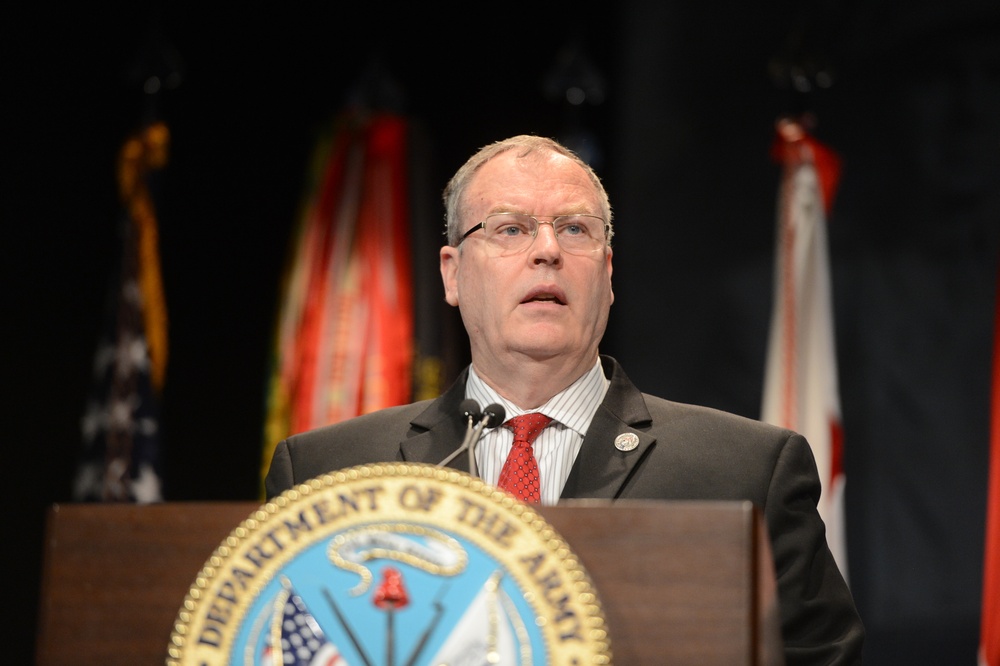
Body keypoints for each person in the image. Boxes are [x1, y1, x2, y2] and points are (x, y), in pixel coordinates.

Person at [265, 134, 865, 664]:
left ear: (606, 274)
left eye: (575, 229)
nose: (546, 250)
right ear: (452, 273)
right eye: (510, 229)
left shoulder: (745, 472)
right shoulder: (328, 475)